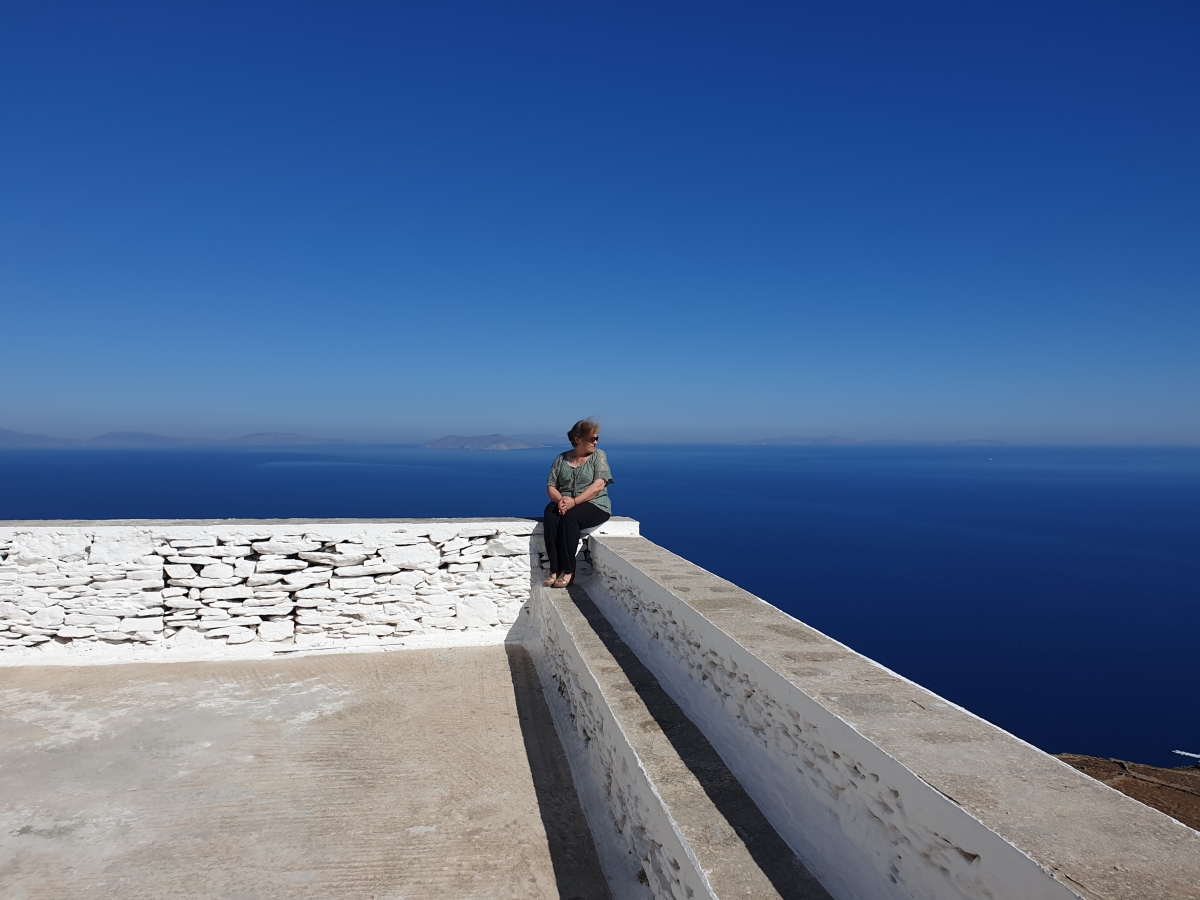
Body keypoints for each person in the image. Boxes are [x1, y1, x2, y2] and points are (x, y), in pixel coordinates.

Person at [543, 419, 613, 588]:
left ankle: (568, 571)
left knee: (570, 519)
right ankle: (554, 569)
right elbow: (551, 486)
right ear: (577, 439)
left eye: (597, 438)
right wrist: (561, 501)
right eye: (592, 439)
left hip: (595, 504)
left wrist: (574, 502)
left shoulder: (598, 456)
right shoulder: (561, 459)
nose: (595, 442)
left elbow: (599, 485)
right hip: (566, 501)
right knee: (551, 517)